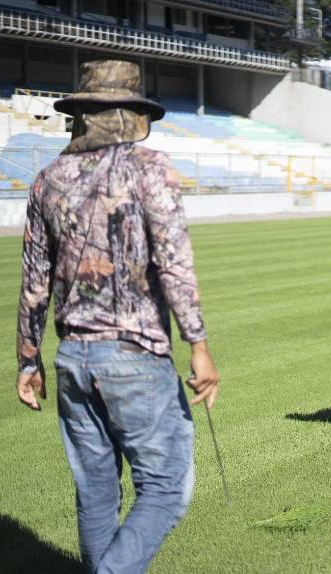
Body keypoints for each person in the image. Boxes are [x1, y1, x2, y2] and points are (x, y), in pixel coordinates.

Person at [15, 60, 219, 573]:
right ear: (132, 114)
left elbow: (34, 281)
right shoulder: (150, 168)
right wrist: (198, 345)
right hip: (134, 356)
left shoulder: (47, 180)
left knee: (97, 491)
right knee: (167, 489)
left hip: (71, 361)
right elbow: (174, 261)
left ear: (82, 113)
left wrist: (27, 361)